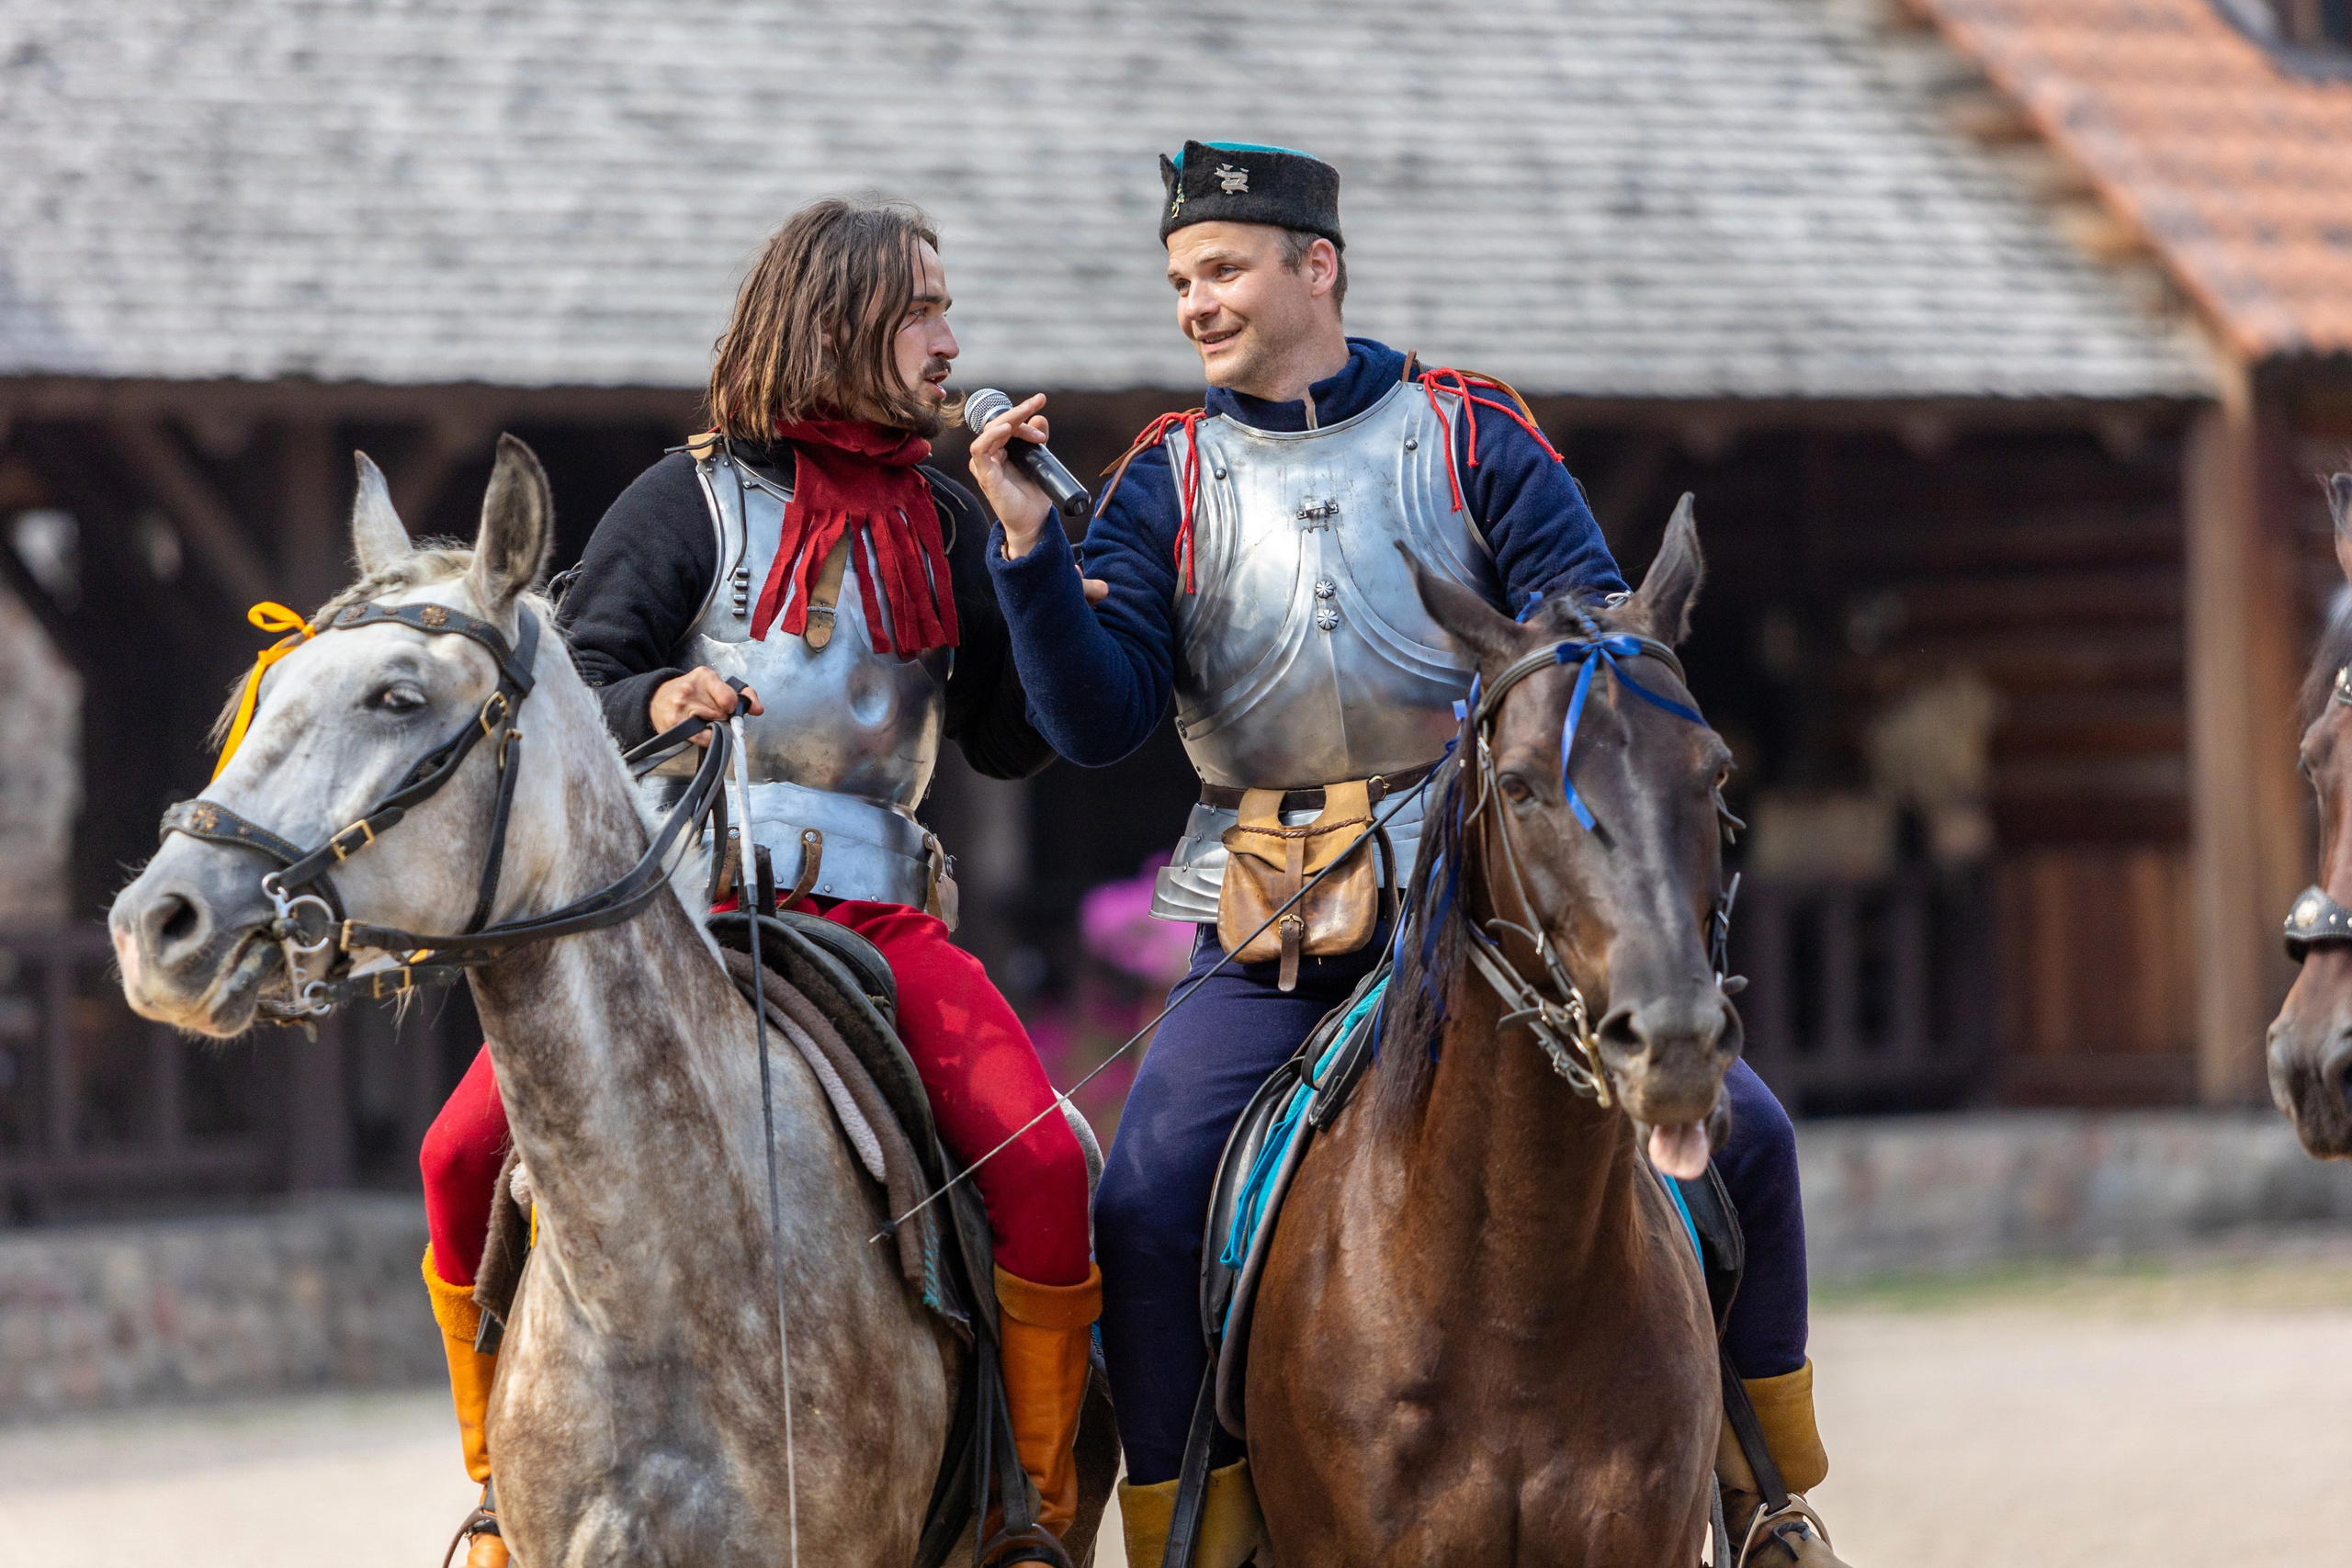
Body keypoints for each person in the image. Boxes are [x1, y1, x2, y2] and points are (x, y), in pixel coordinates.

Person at [968, 142, 1847, 1567]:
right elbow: (1098, 715)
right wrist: (1026, 560)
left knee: (1747, 1135)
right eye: (1182, 280)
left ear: (1317, 267)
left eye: (1225, 271)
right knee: (1145, 1197)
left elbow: (1587, 632)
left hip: (1483, 910)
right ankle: (1191, 1532)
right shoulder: (1162, 478)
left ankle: (1765, 1501)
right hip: (1262, 920)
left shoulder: (1473, 434)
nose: (1197, 303)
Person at [417, 197, 1098, 1567]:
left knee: (1044, 1166)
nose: (951, 341)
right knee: (458, 1154)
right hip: (683, 915)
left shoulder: (950, 517)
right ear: (842, 320)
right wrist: (658, 696)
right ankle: (499, 1499)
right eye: (924, 311)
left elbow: (1019, 742)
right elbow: (573, 685)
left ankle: (1030, 1510)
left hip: (881, 917)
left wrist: (1031, 553)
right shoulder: (686, 499)